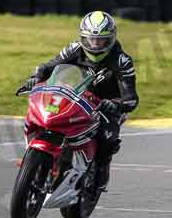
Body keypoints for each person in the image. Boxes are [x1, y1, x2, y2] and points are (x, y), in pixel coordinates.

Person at [22, 11, 138, 192]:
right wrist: (35, 78)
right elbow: (50, 67)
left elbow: (131, 98)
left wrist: (116, 104)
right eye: (90, 39)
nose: (95, 44)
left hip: (106, 105)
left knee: (107, 138)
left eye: (101, 40)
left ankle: (100, 171)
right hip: (76, 96)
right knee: (48, 113)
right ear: (83, 37)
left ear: (112, 38)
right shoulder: (75, 48)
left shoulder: (122, 61)